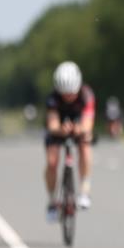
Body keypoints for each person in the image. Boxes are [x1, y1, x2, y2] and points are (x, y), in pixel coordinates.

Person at [44, 61, 95, 221]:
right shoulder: (53, 98)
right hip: (59, 127)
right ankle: (53, 201)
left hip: (79, 124)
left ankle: (84, 191)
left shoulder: (87, 95)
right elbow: (52, 125)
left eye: (71, 93)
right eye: (64, 94)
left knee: (85, 149)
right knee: (52, 162)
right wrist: (60, 130)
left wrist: (80, 129)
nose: (68, 97)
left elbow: (88, 123)